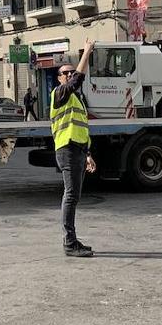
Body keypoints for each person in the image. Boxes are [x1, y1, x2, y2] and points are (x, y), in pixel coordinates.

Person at [51, 39, 97, 258]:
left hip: (78, 150)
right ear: (59, 78)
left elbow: (82, 128)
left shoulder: (78, 100)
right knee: (70, 196)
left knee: (74, 196)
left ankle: (72, 240)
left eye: (71, 71)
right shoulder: (59, 94)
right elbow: (77, 80)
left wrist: (88, 154)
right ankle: (69, 243)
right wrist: (87, 52)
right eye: (65, 73)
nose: (69, 75)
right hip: (66, 149)